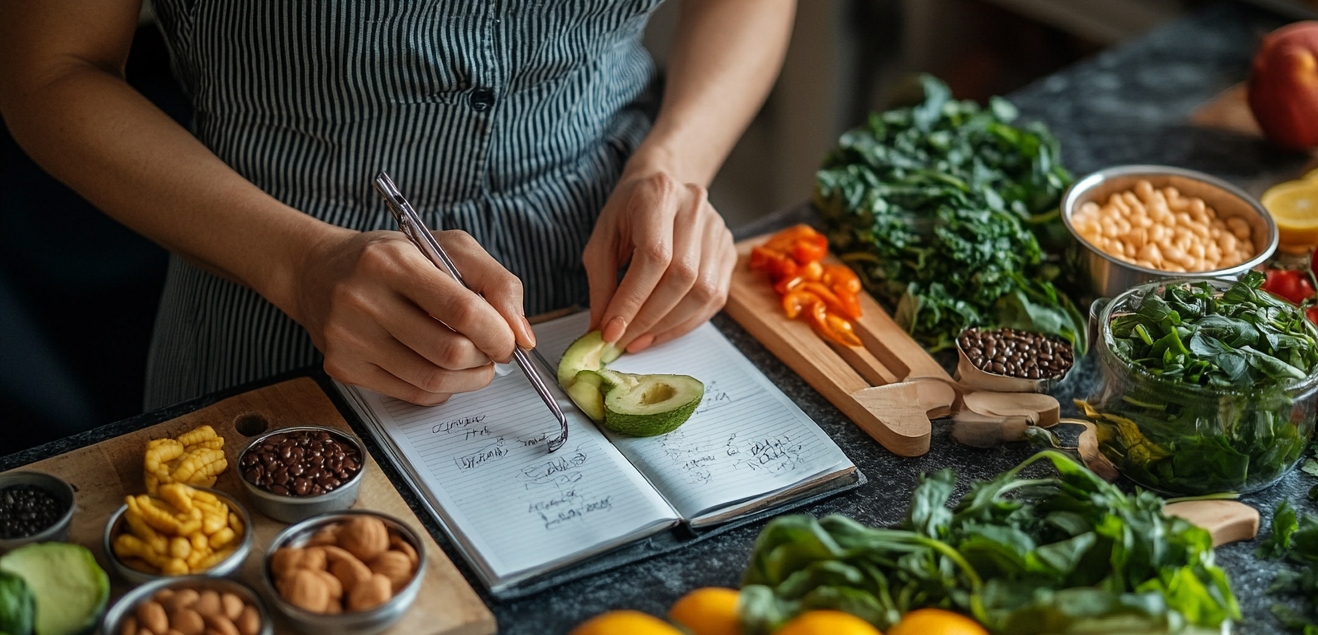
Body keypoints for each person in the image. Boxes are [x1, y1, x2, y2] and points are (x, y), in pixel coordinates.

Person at [0, 0, 795, 409]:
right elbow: (51, 73)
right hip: (274, 309)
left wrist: (676, 162)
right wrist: (302, 264)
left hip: (624, 273)